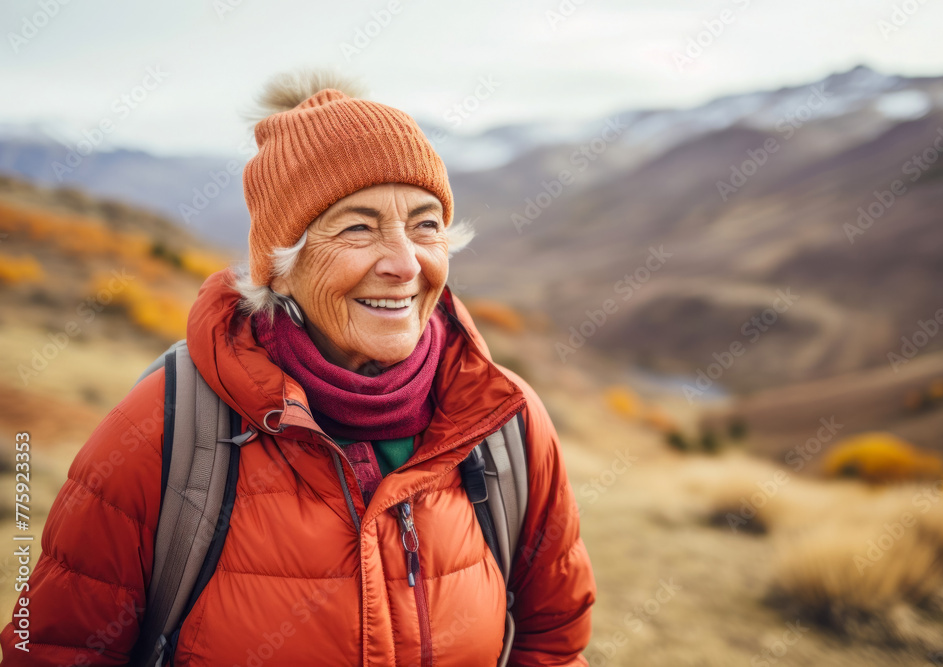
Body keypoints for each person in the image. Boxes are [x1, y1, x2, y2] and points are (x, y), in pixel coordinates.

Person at [0, 70, 596, 666]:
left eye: (425, 225)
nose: (404, 262)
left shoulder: (504, 419)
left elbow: (554, 639)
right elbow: (53, 652)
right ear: (281, 265)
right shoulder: (164, 429)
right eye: (359, 227)